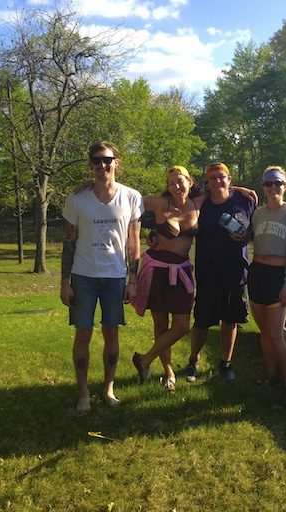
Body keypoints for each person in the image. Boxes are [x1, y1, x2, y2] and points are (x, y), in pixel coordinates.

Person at [60, 141, 144, 412]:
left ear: (116, 163)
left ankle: (108, 388)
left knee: (111, 332)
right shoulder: (77, 198)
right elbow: (69, 242)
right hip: (83, 276)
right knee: (83, 334)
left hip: (115, 277)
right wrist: (64, 282)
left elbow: (134, 243)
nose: (102, 164)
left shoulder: (131, 197)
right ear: (91, 164)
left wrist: (133, 280)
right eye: (96, 160)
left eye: (107, 160)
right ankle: (83, 392)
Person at [130, 166, 203, 393]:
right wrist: (92, 186)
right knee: (160, 324)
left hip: (181, 269)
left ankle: (144, 360)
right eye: (171, 183)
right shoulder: (161, 203)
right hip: (157, 269)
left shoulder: (199, 202)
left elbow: (222, 187)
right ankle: (168, 373)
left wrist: (240, 188)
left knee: (181, 326)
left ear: (190, 182)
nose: (176, 186)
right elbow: (127, 198)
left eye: (180, 181)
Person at [185, 163, 256, 382]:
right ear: (207, 182)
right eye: (213, 178)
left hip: (237, 272)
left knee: (230, 320)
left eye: (221, 177)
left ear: (229, 179)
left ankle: (226, 363)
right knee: (202, 321)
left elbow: (255, 228)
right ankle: (192, 361)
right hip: (208, 273)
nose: (218, 181)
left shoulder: (245, 201)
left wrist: (245, 236)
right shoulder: (201, 204)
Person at [247, 166, 286, 394]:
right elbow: (249, 236)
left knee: (277, 335)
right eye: (268, 183)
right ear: (263, 187)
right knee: (265, 334)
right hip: (257, 273)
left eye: (277, 183)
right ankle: (271, 376)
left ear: (285, 186)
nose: (273, 187)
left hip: (278, 276)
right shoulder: (257, 213)